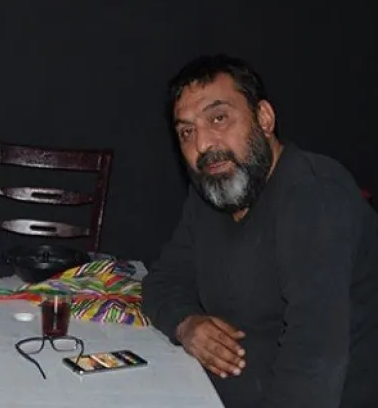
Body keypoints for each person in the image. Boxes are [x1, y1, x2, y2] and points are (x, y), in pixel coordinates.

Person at [142, 54, 378, 408]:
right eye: (187, 132)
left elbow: (314, 360)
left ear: (264, 118)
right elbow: (162, 282)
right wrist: (187, 324)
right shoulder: (212, 192)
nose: (203, 145)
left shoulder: (315, 197)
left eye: (218, 118)